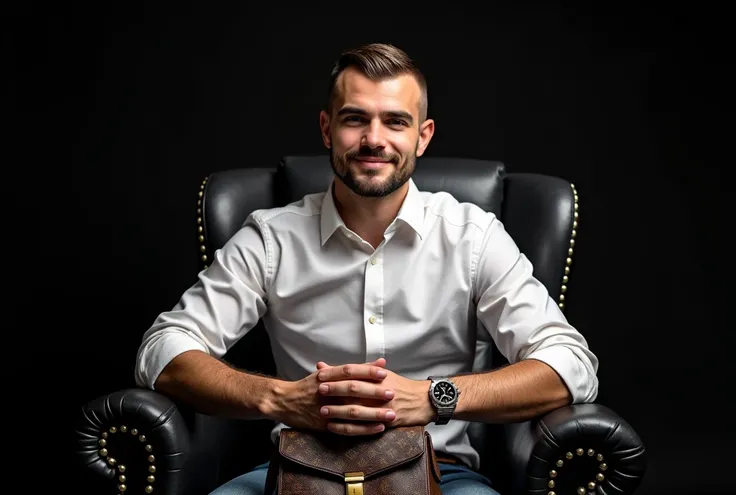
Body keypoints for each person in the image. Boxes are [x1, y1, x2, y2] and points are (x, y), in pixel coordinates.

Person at [135, 43, 599, 495]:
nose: (373, 139)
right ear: (326, 128)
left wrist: (435, 397)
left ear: (423, 135)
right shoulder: (271, 239)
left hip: (441, 472)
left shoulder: (472, 237)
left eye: (395, 121)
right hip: (295, 468)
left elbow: (571, 364)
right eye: (355, 118)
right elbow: (163, 349)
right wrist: (278, 399)